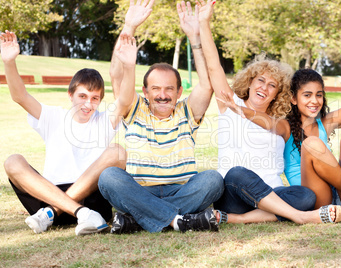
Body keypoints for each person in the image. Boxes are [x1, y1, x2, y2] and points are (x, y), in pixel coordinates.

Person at [219, 29, 341, 227]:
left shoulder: (326, 123)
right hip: (316, 199)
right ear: (293, 99)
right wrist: (239, 109)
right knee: (312, 144)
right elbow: (266, 121)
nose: (314, 101)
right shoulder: (286, 127)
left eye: (319, 95)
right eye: (307, 95)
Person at [197, 0, 341, 225]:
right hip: (235, 191)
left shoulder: (280, 123)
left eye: (272, 85)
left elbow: (314, 119)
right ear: (250, 81)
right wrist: (204, 23)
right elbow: (214, 65)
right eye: (260, 81)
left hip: (272, 194)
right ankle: (299, 217)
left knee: (306, 195)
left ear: (277, 93)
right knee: (237, 172)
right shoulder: (230, 103)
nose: (264, 87)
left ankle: (238, 220)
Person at [98, 0, 224, 234]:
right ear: (145, 92)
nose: (163, 95)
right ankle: (178, 220)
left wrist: (195, 37)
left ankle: (139, 219)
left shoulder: (187, 112)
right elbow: (116, 75)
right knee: (109, 177)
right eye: (156, 89)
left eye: (169, 89)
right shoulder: (134, 108)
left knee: (213, 180)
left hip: (182, 190)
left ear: (179, 92)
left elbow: (207, 85)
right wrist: (129, 26)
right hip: (140, 190)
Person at [1, 30, 138, 235]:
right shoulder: (53, 117)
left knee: (117, 152)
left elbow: (125, 100)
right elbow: (20, 96)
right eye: (82, 96)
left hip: (91, 201)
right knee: (12, 161)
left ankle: (53, 213)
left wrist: (129, 66)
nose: (88, 104)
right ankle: (77, 213)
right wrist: (9, 62)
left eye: (94, 98)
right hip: (49, 194)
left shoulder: (103, 121)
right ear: (70, 95)